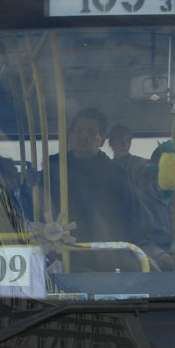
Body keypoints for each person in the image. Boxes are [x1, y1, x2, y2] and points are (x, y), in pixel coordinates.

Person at [48, 108, 141, 262]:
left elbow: (132, 219)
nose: (83, 136)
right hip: (60, 254)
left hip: (105, 256)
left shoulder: (119, 175)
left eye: (91, 132)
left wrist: (126, 256)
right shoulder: (53, 168)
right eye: (79, 130)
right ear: (72, 134)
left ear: (103, 139)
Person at [109, 125, 151, 192]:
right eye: (120, 140)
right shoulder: (106, 167)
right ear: (111, 143)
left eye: (128, 140)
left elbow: (145, 189)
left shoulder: (140, 163)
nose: (125, 144)